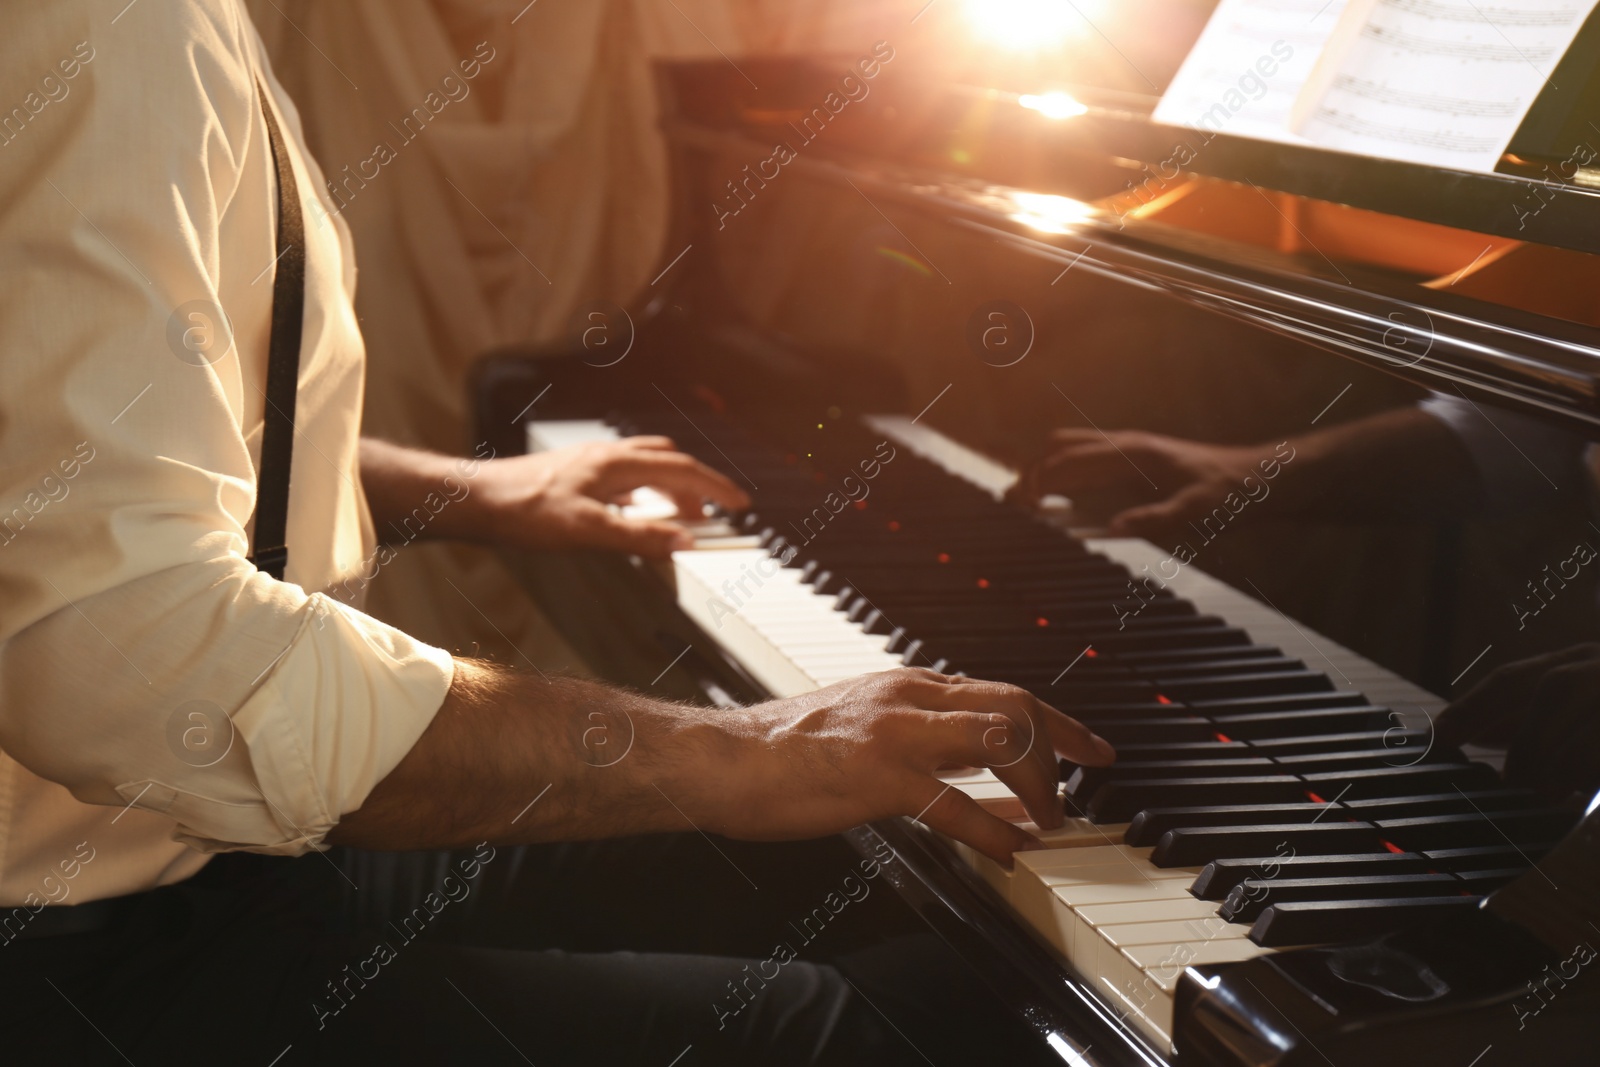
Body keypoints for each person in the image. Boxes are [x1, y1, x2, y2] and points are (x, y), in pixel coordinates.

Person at [0, 3, 1111, 1063]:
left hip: (196, 856)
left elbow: (113, 455)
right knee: (925, 1026)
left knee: (852, 866)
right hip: (93, 955)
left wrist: (482, 491)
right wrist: (740, 748)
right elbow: (115, 654)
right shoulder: (103, 22)